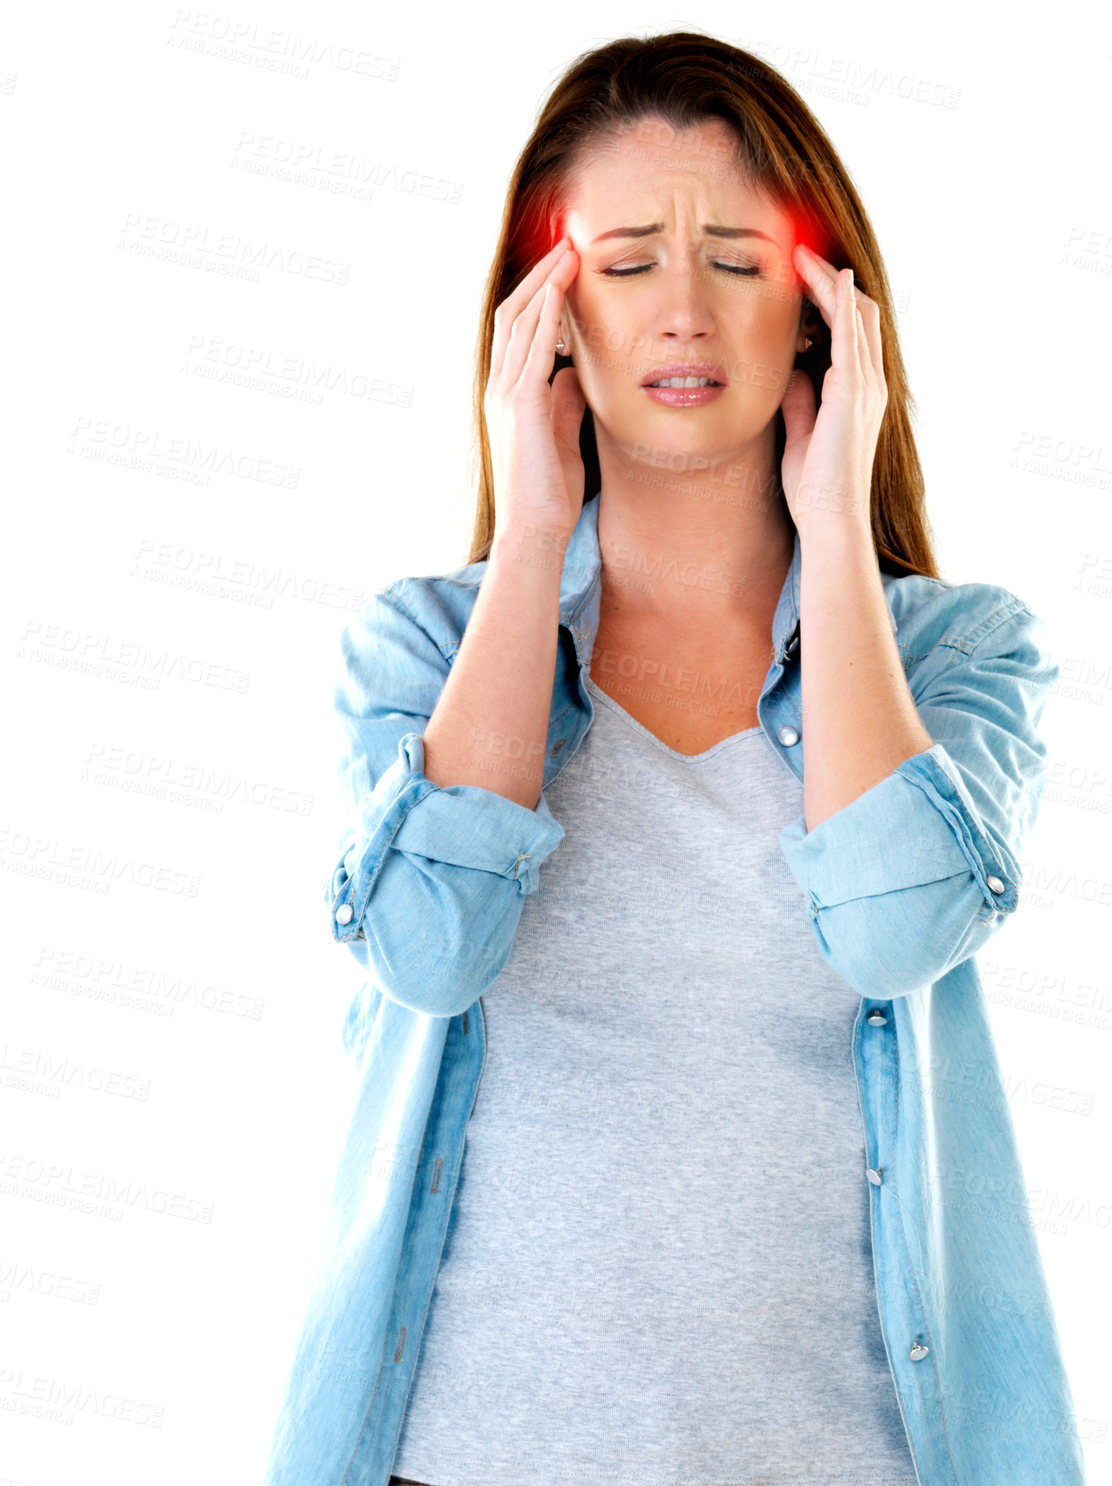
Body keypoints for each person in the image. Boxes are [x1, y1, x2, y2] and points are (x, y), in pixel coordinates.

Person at [264, 31, 1085, 1486]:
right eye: (629, 262)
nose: (687, 313)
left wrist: (836, 527)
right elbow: (426, 947)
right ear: (550, 314)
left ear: (825, 309)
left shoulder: (960, 655)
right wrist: (530, 536)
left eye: (741, 260)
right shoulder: (418, 649)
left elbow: (897, 928)